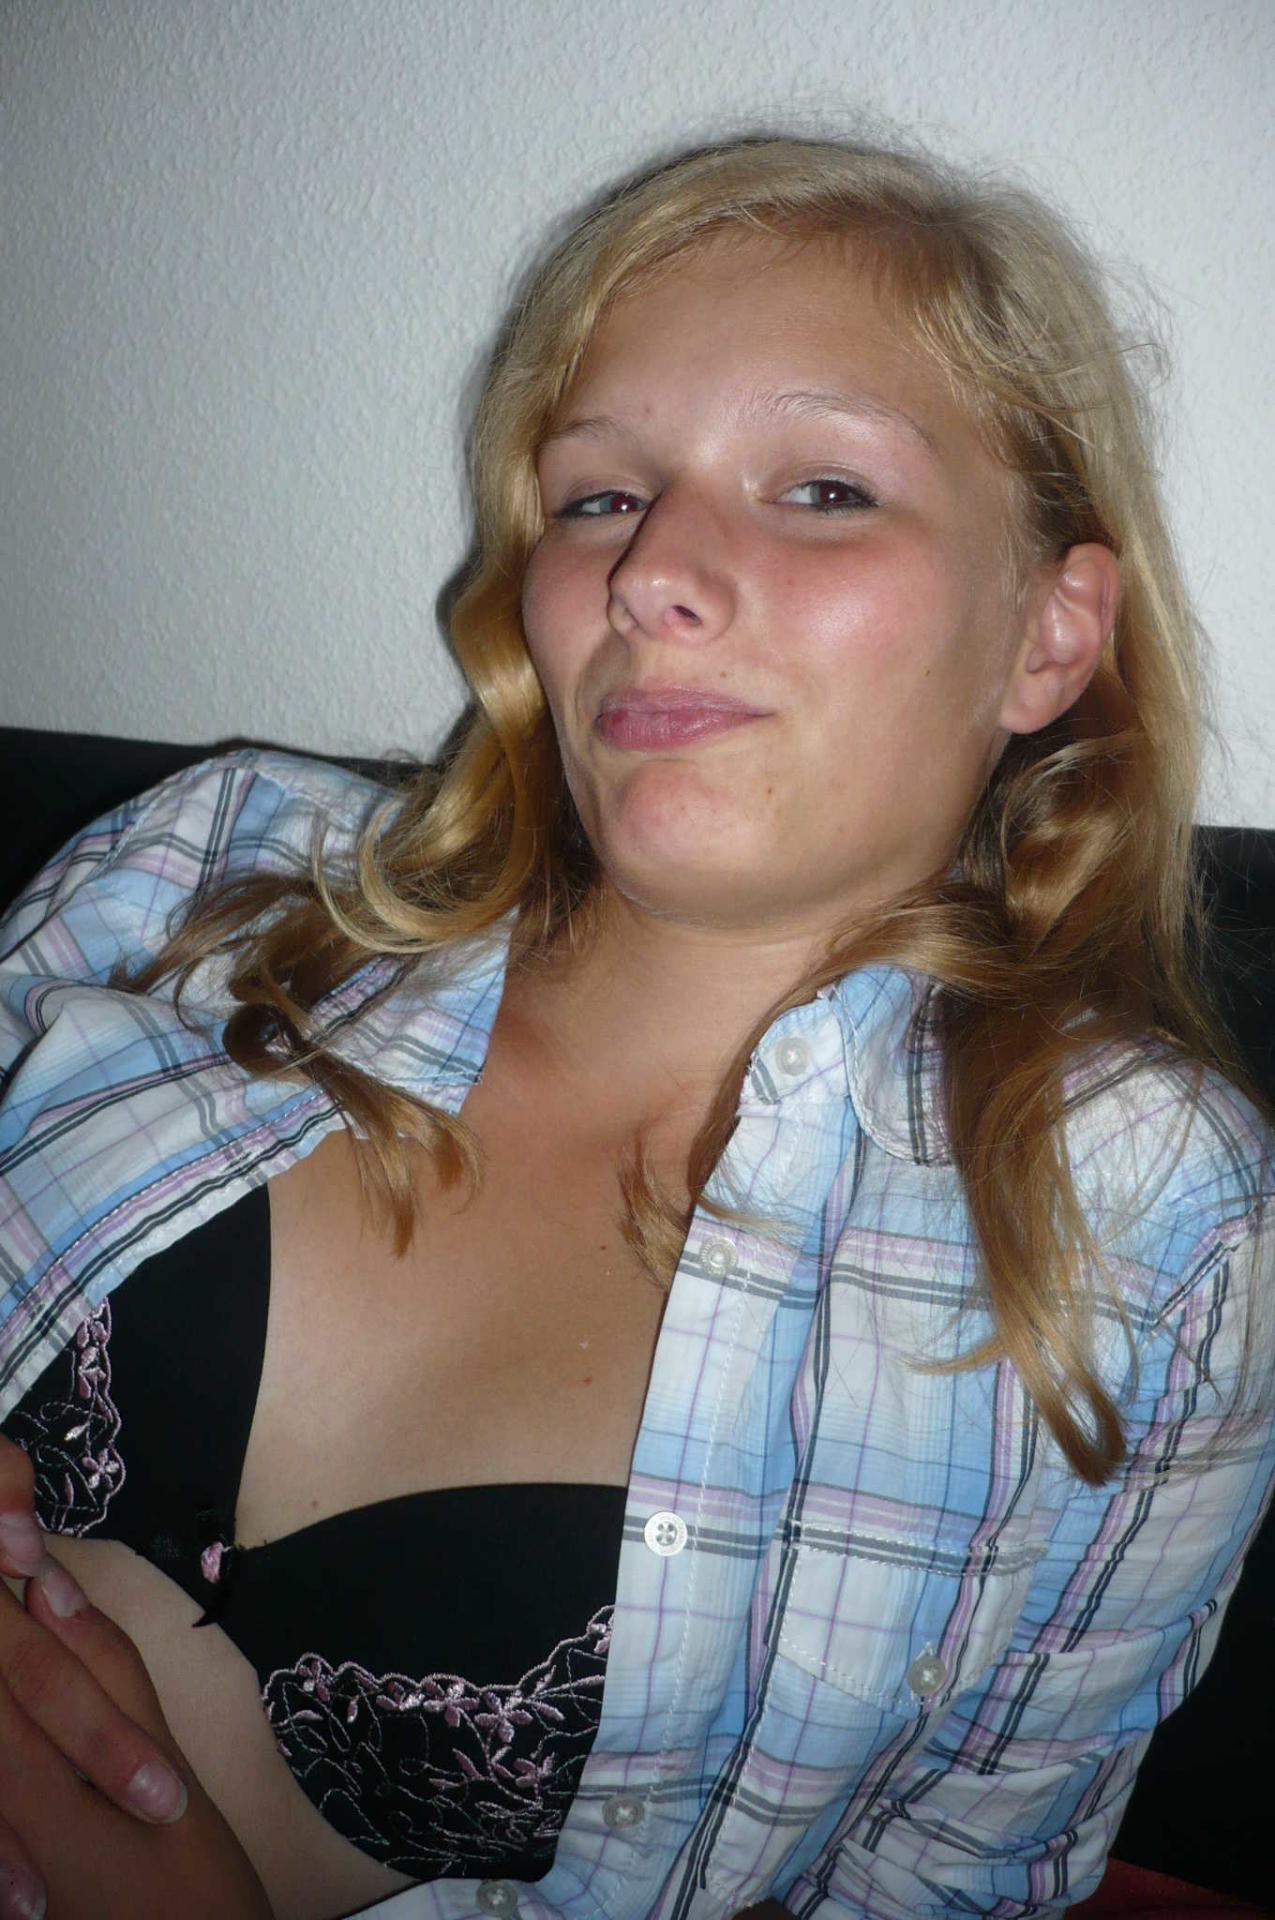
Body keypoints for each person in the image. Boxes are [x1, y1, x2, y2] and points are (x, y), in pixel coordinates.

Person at [0, 131, 1273, 1920]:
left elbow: (953, 1889)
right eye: (599, 496)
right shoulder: (221, 869)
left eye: (823, 489)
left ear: (1048, 638)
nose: (653, 569)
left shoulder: (1139, 1216)